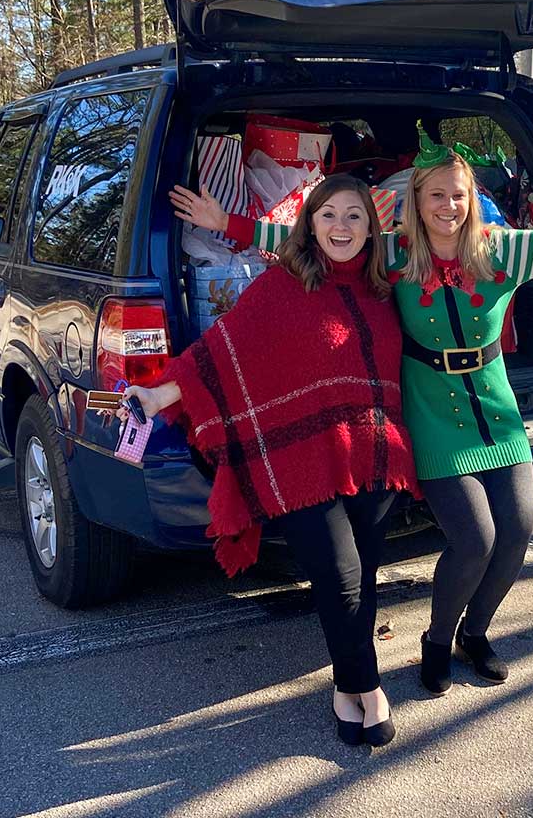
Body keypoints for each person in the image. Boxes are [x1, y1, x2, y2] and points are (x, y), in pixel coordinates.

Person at [169, 134, 533, 697]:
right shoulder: (394, 252)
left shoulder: (505, 249)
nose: (447, 206)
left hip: (495, 410)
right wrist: (228, 223)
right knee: (476, 538)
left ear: (470, 198)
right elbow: (314, 238)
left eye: (457, 195)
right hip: (431, 415)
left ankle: (474, 633)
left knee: (518, 532)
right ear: (417, 200)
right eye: (435, 195)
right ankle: (436, 641)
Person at [123, 175, 419, 747]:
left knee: (362, 571)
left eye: (354, 216)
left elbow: (458, 258)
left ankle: (343, 688)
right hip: (298, 457)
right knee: (342, 576)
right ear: (309, 225)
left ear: (373, 227)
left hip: (375, 455)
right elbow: (217, 351)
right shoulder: (281, 288)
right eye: (328, 214)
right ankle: (369, 685)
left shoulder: (390, 288)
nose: (341, 227)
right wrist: (159, 394)